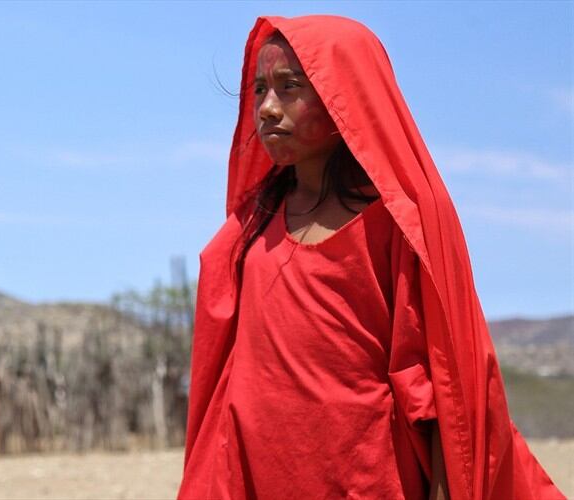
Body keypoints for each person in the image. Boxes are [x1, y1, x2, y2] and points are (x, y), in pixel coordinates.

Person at [177, 15, 565, 500]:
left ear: (345, 93)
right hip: (260, 471)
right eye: (259, 90)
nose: (268, 108)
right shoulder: (249, 229)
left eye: (290, 87)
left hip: (366, 475)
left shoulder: (399, 223)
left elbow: (439, 380)